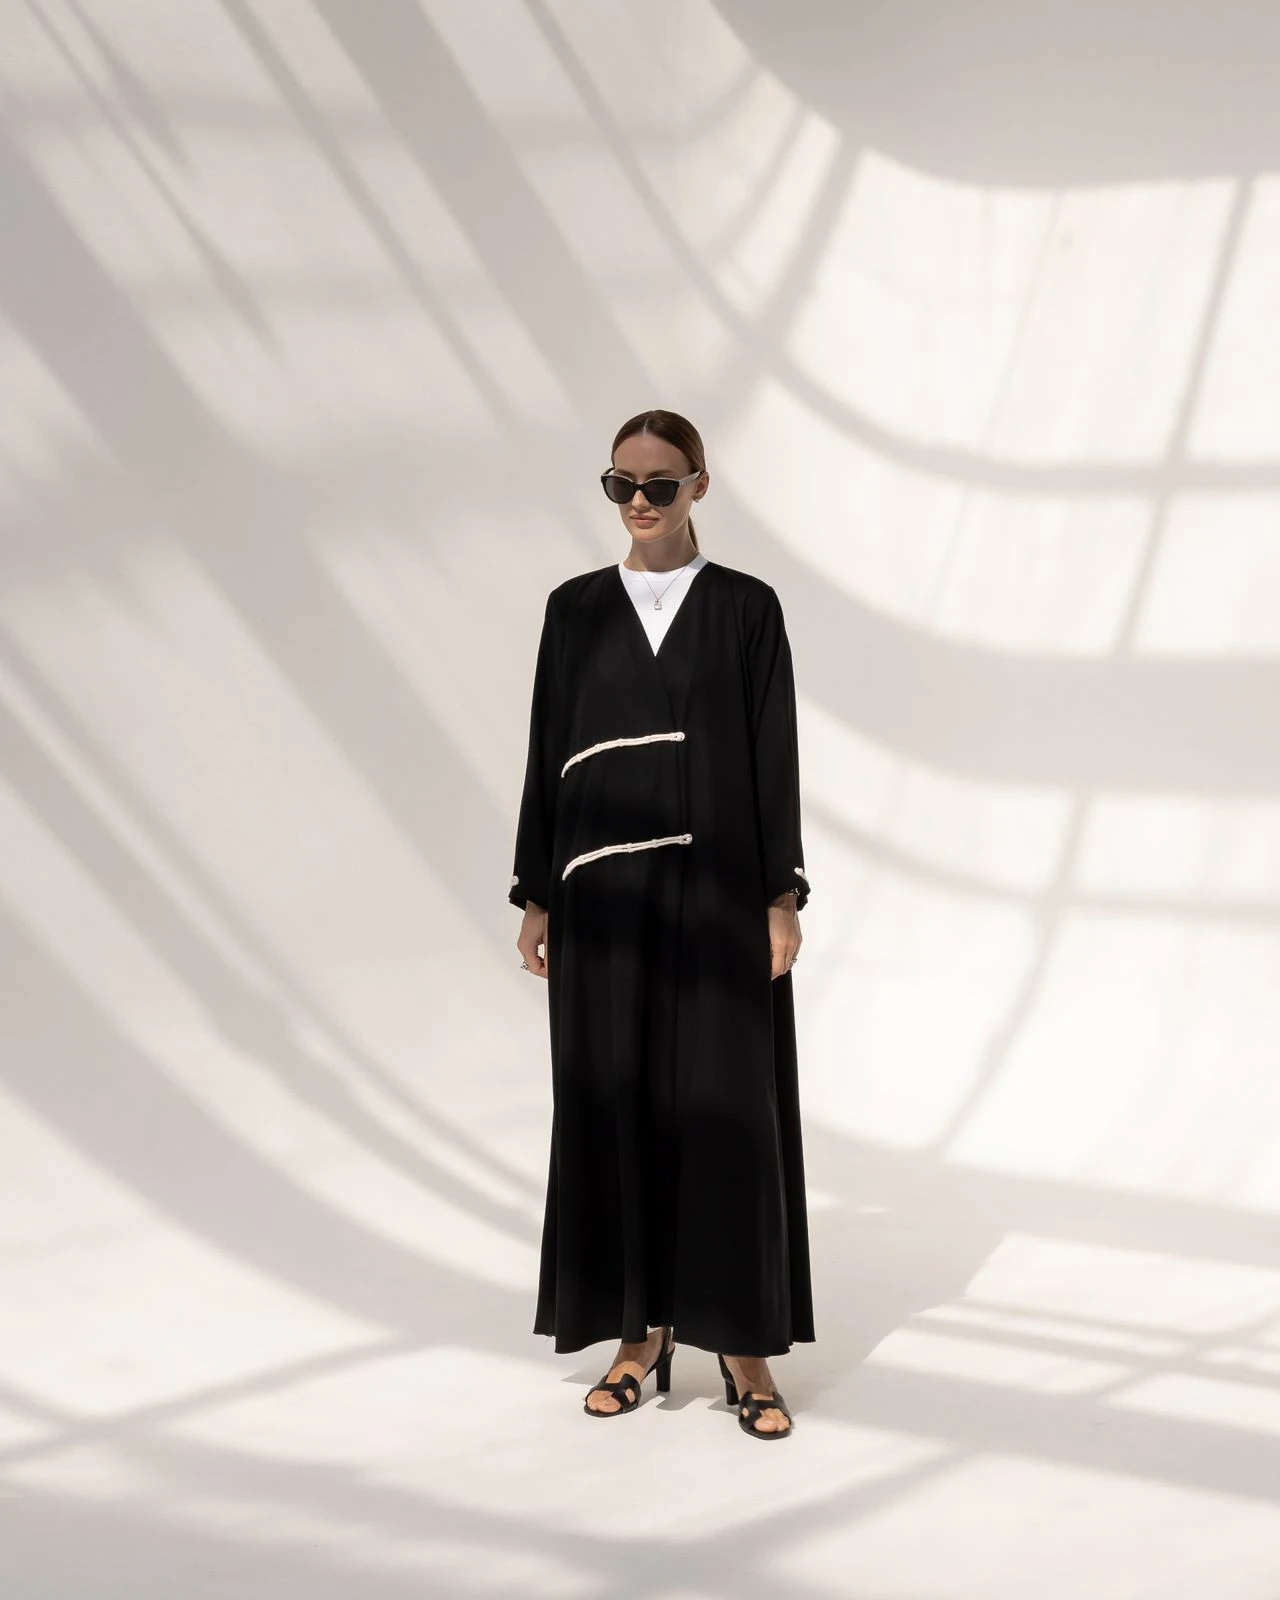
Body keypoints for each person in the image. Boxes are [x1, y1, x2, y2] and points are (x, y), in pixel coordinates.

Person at [508, 409, 814, 1439]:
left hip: (719, 893)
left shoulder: (744, 608)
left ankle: (741, 1346)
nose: (639, 502)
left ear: (698, 487)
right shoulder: (573, 610)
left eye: (659, 484)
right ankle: (639, 1336)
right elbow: (547, 746)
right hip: (603, 902)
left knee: (727, 1110)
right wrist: (537, 892)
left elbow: (772, 752)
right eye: (621, 485)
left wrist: (779, 894)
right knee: (616, 1101)